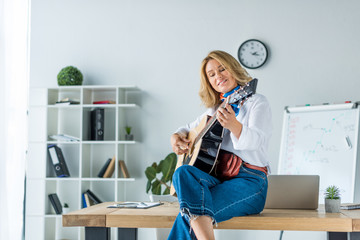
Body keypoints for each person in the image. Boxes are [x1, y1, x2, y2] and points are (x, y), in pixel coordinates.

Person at [168, 50, 272, 240]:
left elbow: (258, 141)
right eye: (212, 74)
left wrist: (235, 126)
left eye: (222, 69)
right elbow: (187, 129)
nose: (218, 76)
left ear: (233, 69)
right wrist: (176, 137)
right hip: (217, 181)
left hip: (250, 182)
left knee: (188, 215)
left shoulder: (257, 102)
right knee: (182, 172)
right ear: (209, 83)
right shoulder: (214, 110)